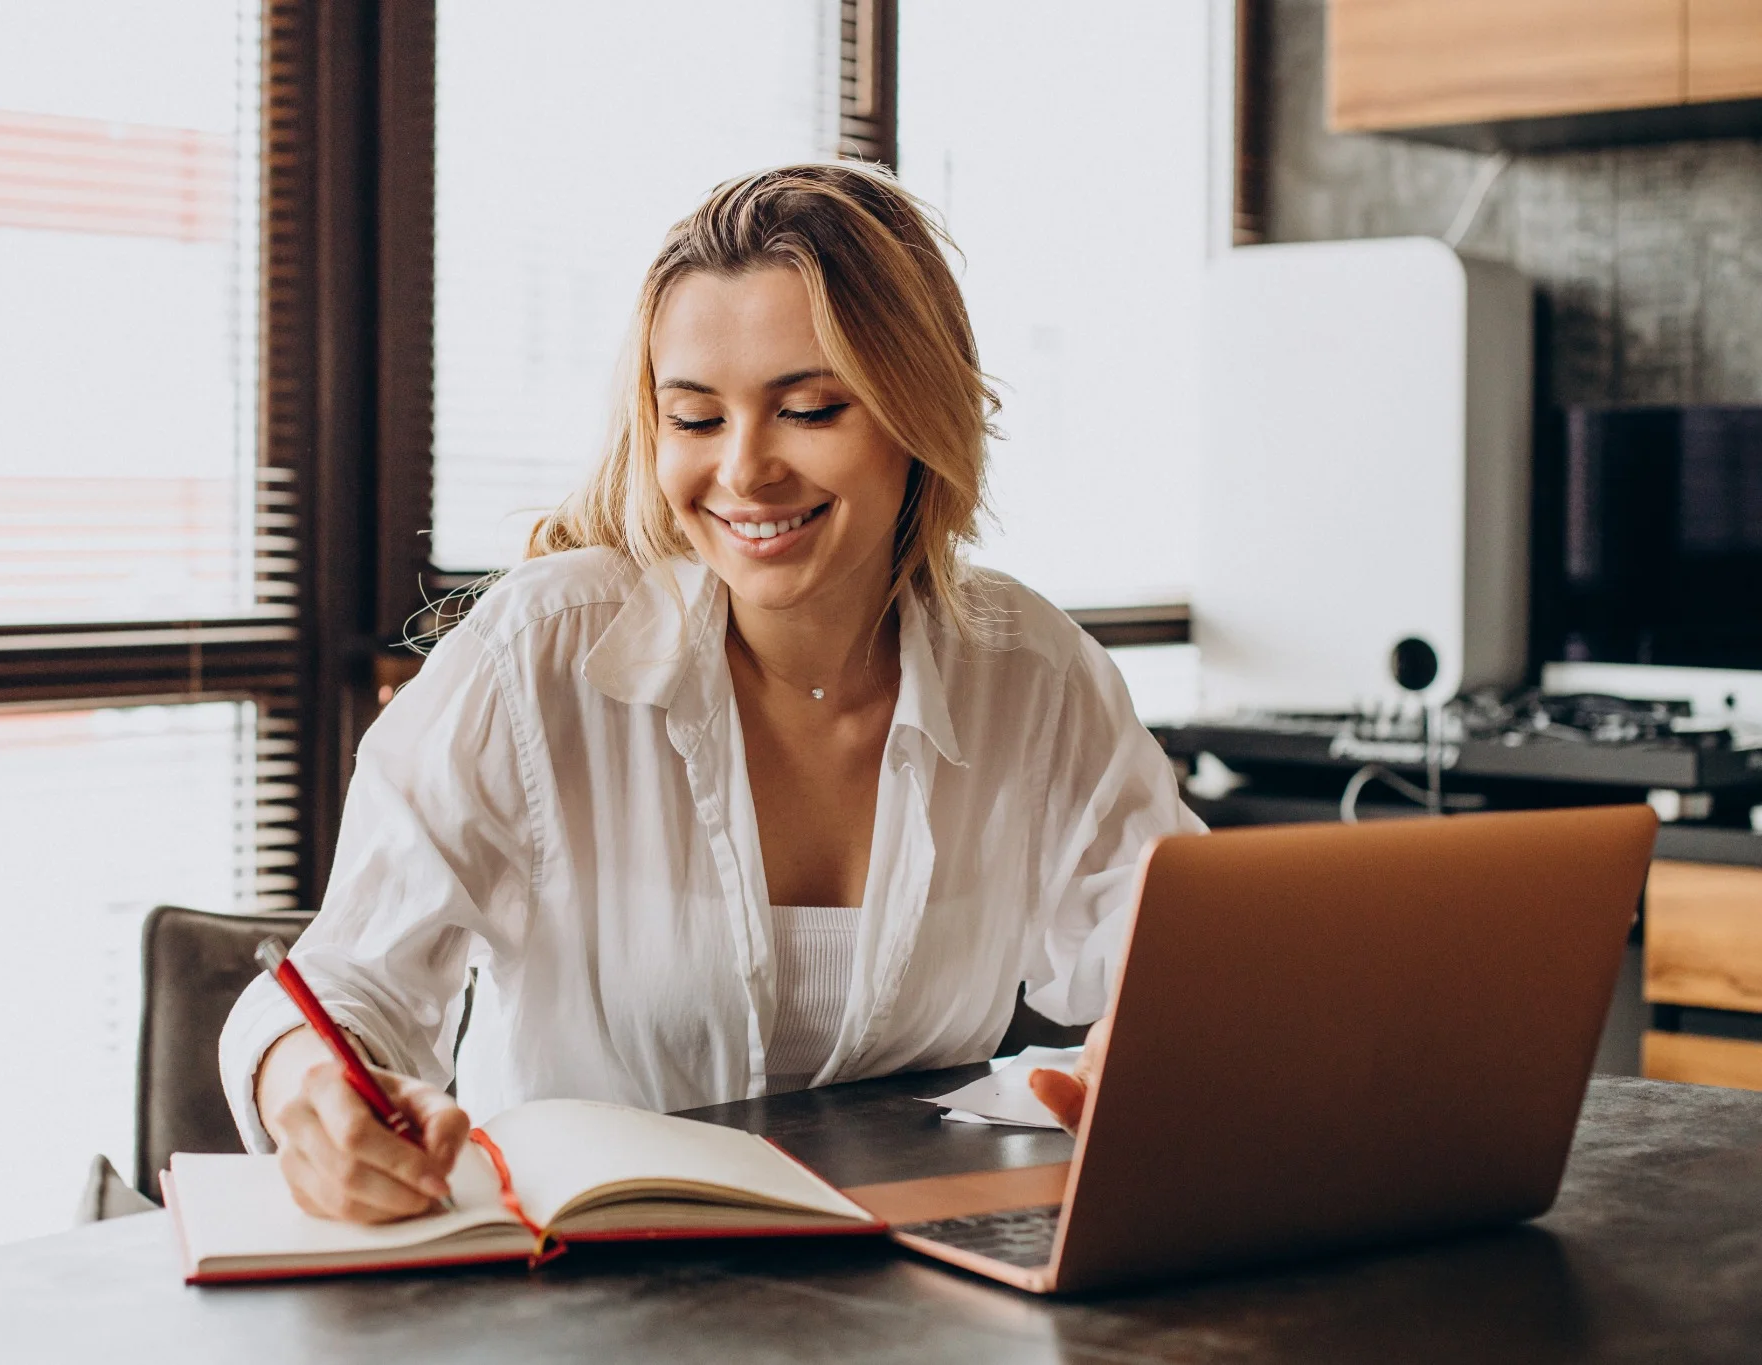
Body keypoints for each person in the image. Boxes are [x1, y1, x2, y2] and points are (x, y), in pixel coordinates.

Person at [219, 162, 1203, 1223]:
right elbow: (348, 985)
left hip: (913, 1286)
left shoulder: (1029, 670)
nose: (744, 472)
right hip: (587, 1293)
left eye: (809, 409)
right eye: (693, 420)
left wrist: (1150, 1050)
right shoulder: (540, 654)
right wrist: (312, 1090)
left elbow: (1182, 961)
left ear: (917, 413)